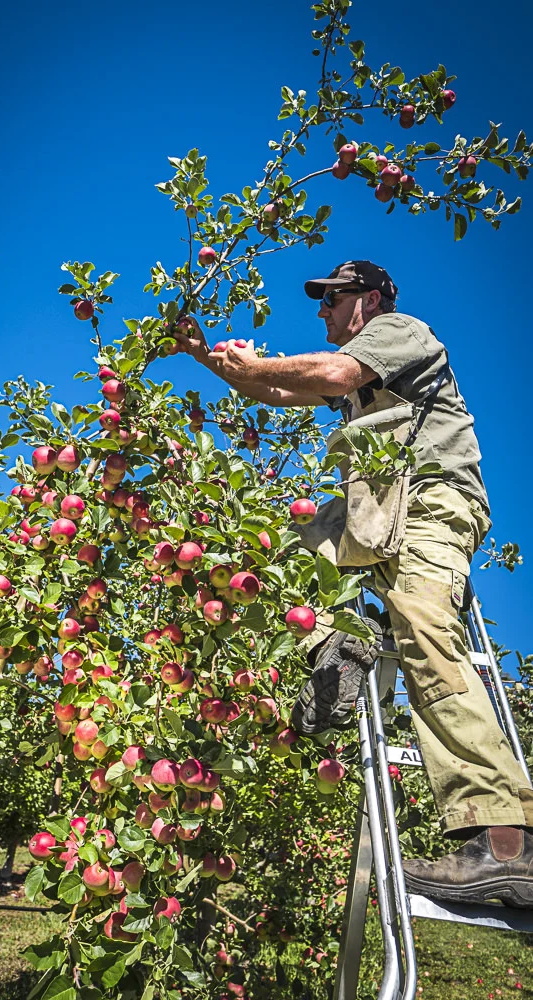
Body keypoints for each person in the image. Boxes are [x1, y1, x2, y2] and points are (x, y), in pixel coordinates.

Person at [172, 260, 533, 908]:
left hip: (430, 501)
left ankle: (504, 843)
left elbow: (331, 373)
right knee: (269, 564)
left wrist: (256, 362)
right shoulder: (357, 369)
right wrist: (205, 355)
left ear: (368, 299)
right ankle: (337, 644)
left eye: (331, 298)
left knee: (425, 633)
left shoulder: (399, 331)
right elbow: (274, 390)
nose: (322, 311)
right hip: (371, 509)